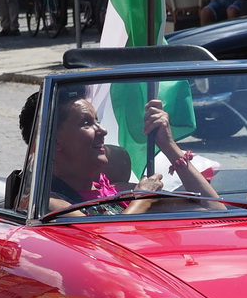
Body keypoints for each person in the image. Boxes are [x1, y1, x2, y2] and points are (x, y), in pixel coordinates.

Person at [42, 88, 217, 215]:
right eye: (86, 123)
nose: (102, 130)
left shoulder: (120, 192)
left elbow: (214, 210)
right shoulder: (51, 205)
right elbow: (103, 245)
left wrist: (168, 144)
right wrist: (142, 200)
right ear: (54, 140)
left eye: (97, 121)